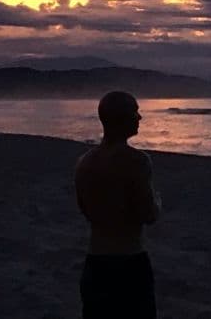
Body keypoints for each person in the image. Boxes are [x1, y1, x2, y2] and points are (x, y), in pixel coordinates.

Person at [75, 90, 161, 319]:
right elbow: (149, 214)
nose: (139, 118)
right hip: (129, 261)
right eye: (135, 111)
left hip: (95, 262)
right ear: (122, 118)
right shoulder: (138, 161)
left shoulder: (84, 162)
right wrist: (157, 201)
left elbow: (84, 208)